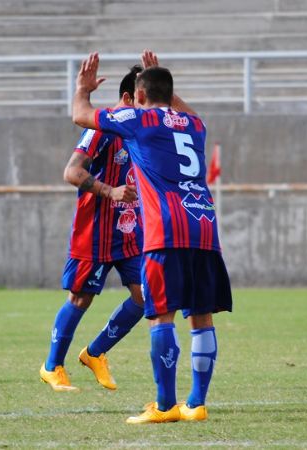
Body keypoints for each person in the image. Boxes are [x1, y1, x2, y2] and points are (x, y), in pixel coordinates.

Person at [71, 50, 233, 424]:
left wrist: (83, 88)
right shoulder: (195, 125)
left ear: (139, 95)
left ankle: (164, 407)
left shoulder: (140, 118)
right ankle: (197, 403)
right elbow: (181, 108)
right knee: (202, 318)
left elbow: (81, 115)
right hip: (204, 226)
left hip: (165, 230)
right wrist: (160, 82)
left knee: (160, 317)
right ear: (171, 93)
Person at [40, 66, 146, 392]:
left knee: (146, 296)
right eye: (144, 101)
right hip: (96, 230)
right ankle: (52, 366)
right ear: (127, 98)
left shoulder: (145, 131)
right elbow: (71, 172)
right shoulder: (102, 129)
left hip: (128, 231)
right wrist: (109, 191)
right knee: (80, 298)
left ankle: (96, 353)